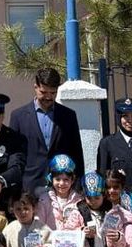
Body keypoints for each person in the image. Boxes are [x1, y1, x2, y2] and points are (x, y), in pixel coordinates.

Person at [10, 67, 85, 195]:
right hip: (29, 188)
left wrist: (78, 187)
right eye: (44, 92)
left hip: (62, 187)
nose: (48, 97)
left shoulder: (69, 116)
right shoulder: (18, 116)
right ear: (35, 87)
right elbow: (14, 155)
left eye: (53, 93)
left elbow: (76, 153)